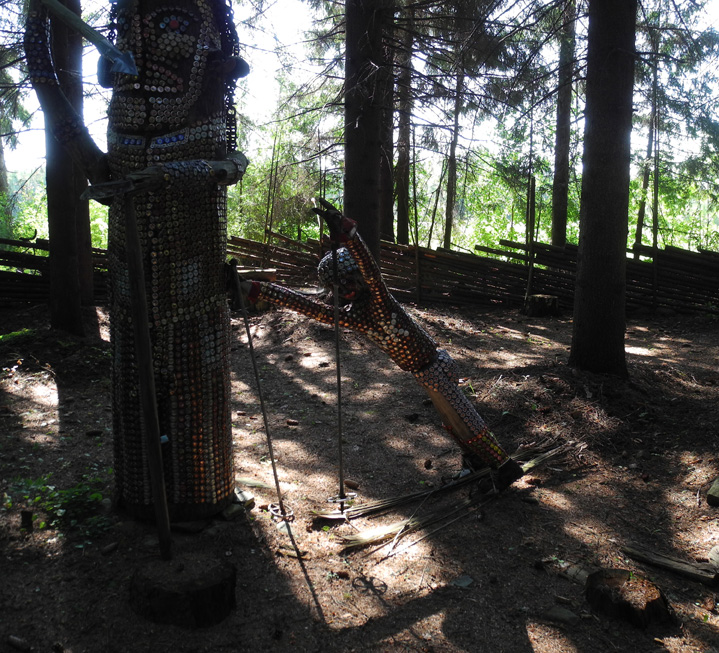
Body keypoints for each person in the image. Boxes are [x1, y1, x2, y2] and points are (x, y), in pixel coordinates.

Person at [242, 200, 523, 489]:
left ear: (357, 277)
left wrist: (348, 233)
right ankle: (475, 460)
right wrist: (256, 289)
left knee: (465, 419)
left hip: (435, 368)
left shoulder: (379, 298)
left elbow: (370, 268)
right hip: (425, 374)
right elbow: (308, 306)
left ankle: (504, 465)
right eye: (338, 286)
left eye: (348, 281)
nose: (346, 290)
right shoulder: (353, 316)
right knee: (453, 422)